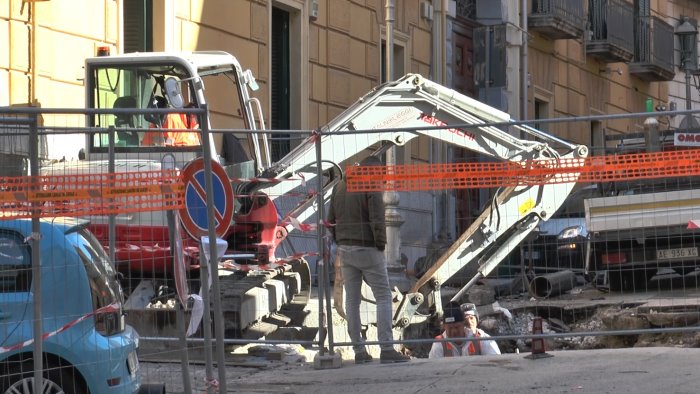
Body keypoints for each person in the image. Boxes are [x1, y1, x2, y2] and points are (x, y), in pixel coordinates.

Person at [327, 155, 410, 364]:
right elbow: (377, 218)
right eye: (381, 173)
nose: (382, 178)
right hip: (368, 248)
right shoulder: (371, 184)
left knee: (352, 300)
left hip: (345, 248)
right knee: (383, 296)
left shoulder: (339, 186)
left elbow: (330, 220)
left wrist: (340, 240)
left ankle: (359, 351)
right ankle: (387, 349)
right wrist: (381, 244)